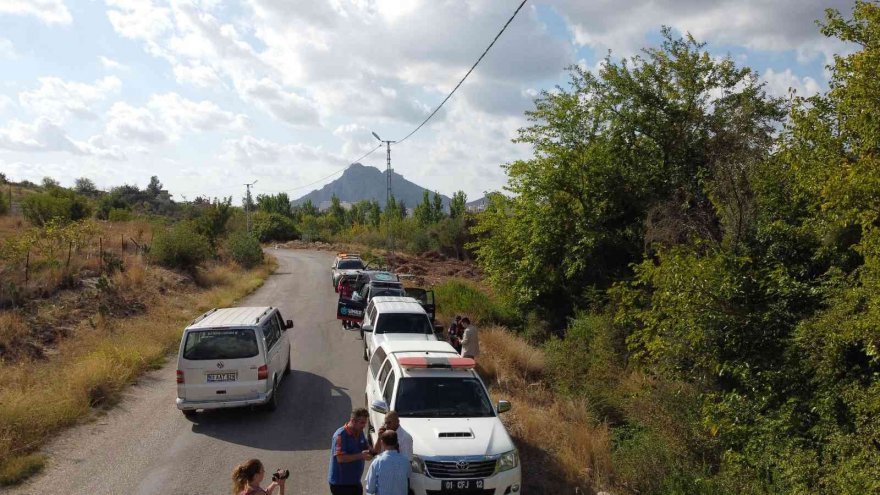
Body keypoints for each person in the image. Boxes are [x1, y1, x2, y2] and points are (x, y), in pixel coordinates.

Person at [329, 408, 373, 495]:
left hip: (355, 482)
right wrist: (361, 455)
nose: (364, 426)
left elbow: (367, 449)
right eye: (362, 423)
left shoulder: (359, 432)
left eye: (365, 423)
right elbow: (340, 458)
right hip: (341, 485)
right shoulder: (340, 435)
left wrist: (378, 440)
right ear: (353, 421)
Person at [365, 431, 411, 495]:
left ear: (382, 443)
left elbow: (370, 488)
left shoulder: (377, 462)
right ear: (397, 442)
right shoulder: (405, 461)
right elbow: (408, 476)